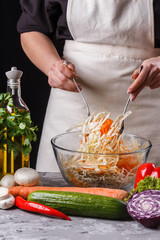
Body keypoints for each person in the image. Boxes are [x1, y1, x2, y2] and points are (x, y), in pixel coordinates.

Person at [17, 0, 160, 172]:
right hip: (72, 101)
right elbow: (33, 27)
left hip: (150, 101)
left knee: (146, 195)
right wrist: (52, 67)